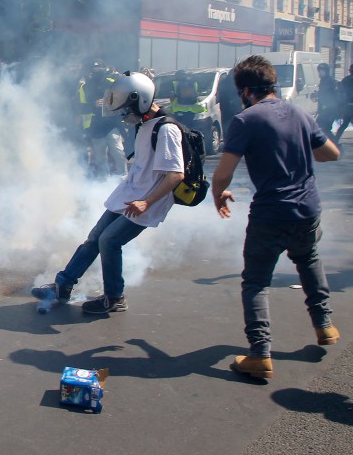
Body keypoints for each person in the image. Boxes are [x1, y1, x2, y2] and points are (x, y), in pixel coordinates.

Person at [211, 55, 341, 379]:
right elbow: (330, 153)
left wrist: (218, 195)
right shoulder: (299, 113)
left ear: (244, 91)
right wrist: (294, 145)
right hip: (308, 210)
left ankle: (260, 353)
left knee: (256, 282)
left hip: (270, 214)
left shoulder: (245, 120)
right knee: (308, 258)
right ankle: (324, 326)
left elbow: (223, 173)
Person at [31, 71, 185, 314]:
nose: (124, 117)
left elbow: (176, 175)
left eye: (126, 110)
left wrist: (146, 202)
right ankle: (63, 285)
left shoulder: (166, 130)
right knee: (95, 237)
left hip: (146, 200)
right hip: (129, 194)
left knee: (109, 241)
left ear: (140, 100)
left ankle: (115, 297)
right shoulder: (146, 124)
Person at [314, 62, 341, 144]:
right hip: (324, 111)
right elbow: (322, 97)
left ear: (326, 71)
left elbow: (333, 96)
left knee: (324, 128)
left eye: (322, 70)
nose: (320, 72)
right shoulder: (322, 81)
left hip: (331, 110)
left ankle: (335, 146)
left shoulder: (331, 82)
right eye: (319, 70)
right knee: (319, 128)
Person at [334, 63, 353, 141]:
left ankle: (336, 139)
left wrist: (341, 106)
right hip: (348, 106)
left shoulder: (345, 80)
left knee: (344, 124)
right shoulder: (345, 80)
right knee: (345, 124)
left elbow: (340, 93)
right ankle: (335, 139)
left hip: (347, 106)